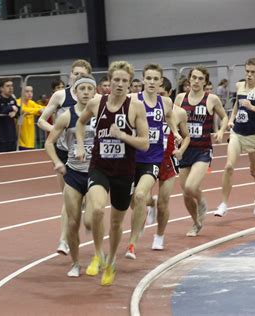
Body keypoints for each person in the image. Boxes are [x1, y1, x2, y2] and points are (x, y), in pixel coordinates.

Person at [75, 61, 149, 286]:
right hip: (100, 167)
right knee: (96, 209)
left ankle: (112, 260)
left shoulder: (136, 107)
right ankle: (98, 253)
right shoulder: (98, 103)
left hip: (124, 172)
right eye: (116, 80)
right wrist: (80, 144)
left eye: (124, 81)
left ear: (130, 84)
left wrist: (123, 136)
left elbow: (145, 143)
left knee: (116, 223)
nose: (119, 84)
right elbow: (80, 123)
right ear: (109, 81)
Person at [124, 64, 181, 260]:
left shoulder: (165, 102)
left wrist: (176, 132)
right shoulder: (132, 99)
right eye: (148, 78)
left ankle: (132, 244)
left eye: (155, 79)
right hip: (132, 158)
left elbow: (171, 117)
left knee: (140, 195)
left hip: (153, 158)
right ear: (143, 80)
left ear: (160, 81)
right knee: (133, 202)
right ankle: (150, 205)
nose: (151, 82)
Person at [38, 59, 92, 256]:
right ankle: (63, 239)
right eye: (75, 74)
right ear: (70, 75)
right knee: (67, 199)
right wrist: (57, 130)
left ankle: (84, 220)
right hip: (64, 152)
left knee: (84, 200)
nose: (77, 77)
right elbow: (41, 121)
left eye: (82, 75)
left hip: (88, 154)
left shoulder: (92, 99)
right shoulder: (60, 95)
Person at [44, 74, 97, 277]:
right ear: (75, 92)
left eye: (89, 89)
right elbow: (49, 142)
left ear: (94, 92)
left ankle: (98, 254)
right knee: (73, 222)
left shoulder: (101, 114)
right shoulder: (66, 116)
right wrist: (57, 162)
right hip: (74, 173)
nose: (85, 92)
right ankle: (75, 263)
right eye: (81, 89)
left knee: (91, 220)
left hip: (95, 173)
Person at [213, 58, 255, 217]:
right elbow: (236, 105)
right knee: (228, 166)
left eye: (252, 72)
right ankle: (223, 204)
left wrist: (252, 107)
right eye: (247, 71)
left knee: (254, 171)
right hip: (237, 133)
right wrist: (232, 119)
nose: (249, 75)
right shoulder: (240, 85)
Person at [175, 65, 228, 236]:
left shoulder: (211, 99)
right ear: (189, 79)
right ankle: (196, 223)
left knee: (191, 187)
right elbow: (171, 119)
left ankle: (202, 200)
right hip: (184, 149)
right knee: (185, 193)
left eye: (200, 79)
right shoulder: (180, 98)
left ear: (205, 82)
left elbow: (225, 116)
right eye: (194, 78)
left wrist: (220, 131)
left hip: (203, 150)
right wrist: (175, 133)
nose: (196, 81)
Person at [150, 77, 190, 250]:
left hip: (168, 160)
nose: (159, 98)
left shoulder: (179, 113)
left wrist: (181, 150)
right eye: (156, 94)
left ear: (170, 94)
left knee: (164, 202)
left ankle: (159, 235)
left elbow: (187, 136)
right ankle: (150, 203)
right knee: (138, 198)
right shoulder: (147, 109)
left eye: (162, 94)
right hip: (149, 157)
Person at [0, 79, 19, 153]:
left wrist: (15, 113)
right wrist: (10, 108)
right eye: (7, 86)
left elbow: (18, 109)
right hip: (0, 137)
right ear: (2, 88)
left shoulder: (13, 97)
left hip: (12, 135)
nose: (11, 88)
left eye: (11, 86)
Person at [17, 85, 45, 150]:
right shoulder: (18, 102)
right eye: (27, 91)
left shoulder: (31, 103)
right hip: (20, 140)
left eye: (31, 91)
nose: (30, 93)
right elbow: (23, 110)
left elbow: (40, 107)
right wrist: (38, 110)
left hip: (31, 141)